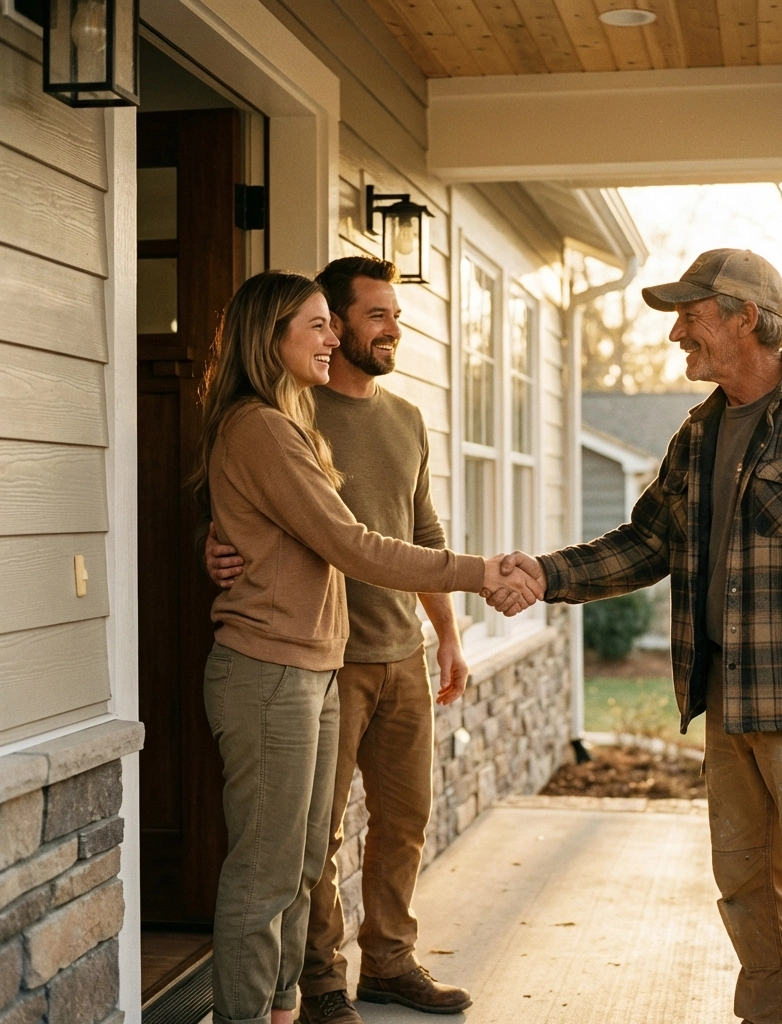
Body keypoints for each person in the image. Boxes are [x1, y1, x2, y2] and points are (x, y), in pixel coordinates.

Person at [486, 249, 782, 1024]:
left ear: (744, 315)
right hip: (729, 706)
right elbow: (646, 541)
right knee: (749, 897)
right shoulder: (701, 430)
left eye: (690, 315)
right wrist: (546, 573)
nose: (675, 333)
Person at [192, 270, 541, 1024]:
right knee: (271, 869)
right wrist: (485, 573)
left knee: (298, 862)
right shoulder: (264, 425)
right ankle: (287, 999)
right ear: (272, 335)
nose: (332, 338)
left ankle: (299, 1001)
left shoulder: (303, 423)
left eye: (329, 325)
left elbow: (344, 532)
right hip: (277, 667)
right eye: (319, 324)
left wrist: (447, 630)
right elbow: (347, 542)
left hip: (320, 661)